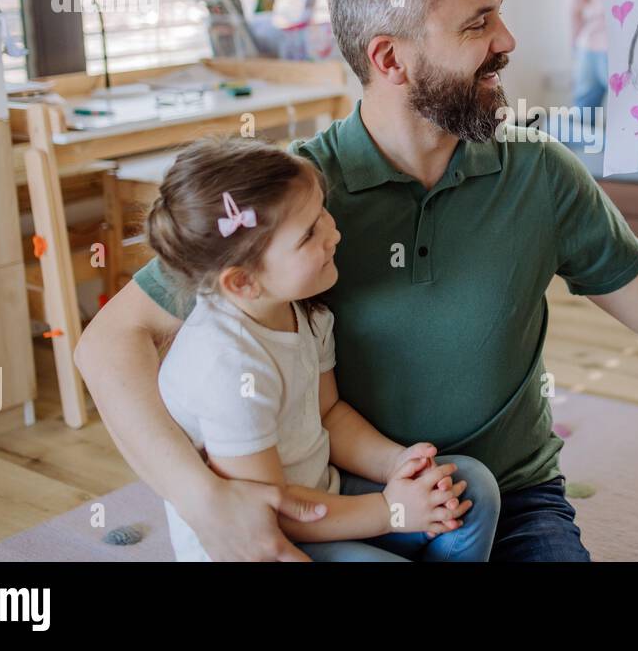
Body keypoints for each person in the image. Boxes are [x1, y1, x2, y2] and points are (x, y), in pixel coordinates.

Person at [75, 0, 638, 562]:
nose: (508, 41)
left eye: (498, 13)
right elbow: (109, 343)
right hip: (337, 492)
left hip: (505, 492)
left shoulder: (538, 172)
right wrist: (207, 500)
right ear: (390, 59)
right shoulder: (288, 199)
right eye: (478, 25)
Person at [144, 136, 498, 561]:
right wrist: (390, 511)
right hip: (272, 538)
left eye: (322, 212)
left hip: (324, 496)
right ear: (243, 281)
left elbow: (328, 413)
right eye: (309, 233)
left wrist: (396, 464)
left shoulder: (305, 311)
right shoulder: (228, 368)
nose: (333, 232)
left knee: (469, 486)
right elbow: (272, 513)